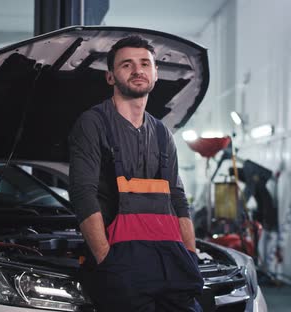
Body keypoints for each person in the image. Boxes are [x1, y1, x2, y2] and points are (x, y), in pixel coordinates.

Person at [68, 35, 204, 311]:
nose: (138, 70)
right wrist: (106, 259)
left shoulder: (162, 133)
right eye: (126, 65)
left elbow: (177, 197)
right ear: (110, 77)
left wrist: (189, 253)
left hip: (169, 259)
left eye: (145, 63)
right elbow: (84, 194)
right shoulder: (94, 124)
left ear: (155, 74)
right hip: (121, 261)